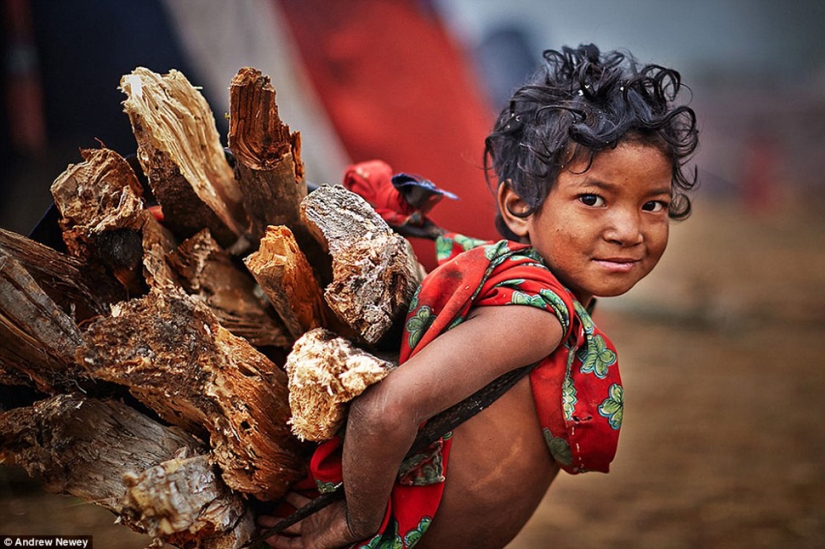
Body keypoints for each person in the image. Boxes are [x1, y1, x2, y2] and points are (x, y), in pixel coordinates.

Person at [259, 43, 699, 549]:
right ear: (518, 207)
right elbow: (385, 412)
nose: (628, 229)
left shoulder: (525, 291)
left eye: (653, 204)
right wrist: (355, 523)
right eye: (592, 199)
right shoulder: (538, 314)